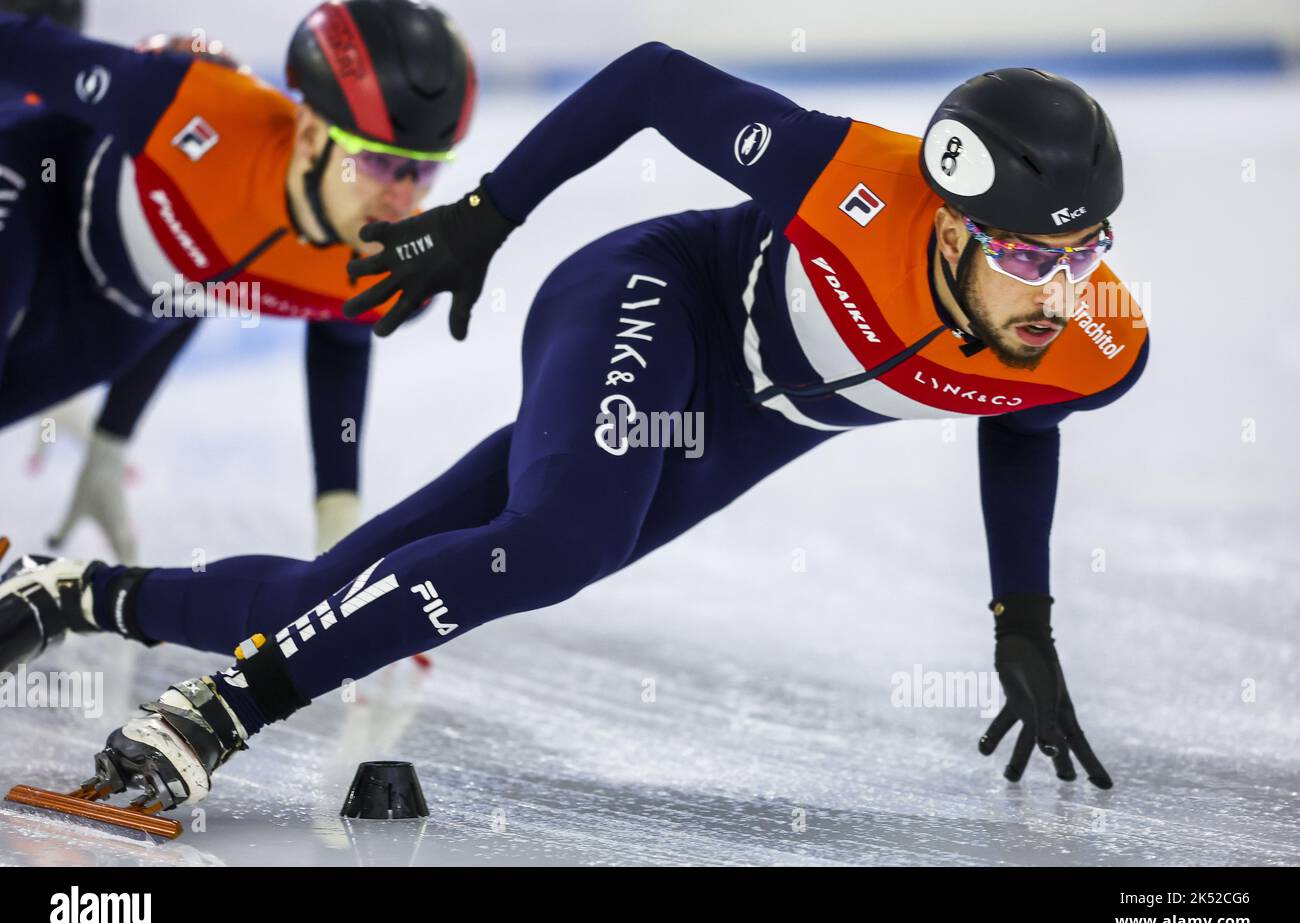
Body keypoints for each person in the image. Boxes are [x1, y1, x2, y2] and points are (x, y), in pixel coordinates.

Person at [1, 48, 1147, 811]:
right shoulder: (852, 180)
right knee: (559, 540)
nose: (1057, 290)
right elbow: (648, 80)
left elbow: (1023, 406)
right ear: (948, 223)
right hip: (658, 297)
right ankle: (224, 709)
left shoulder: (1092, 338)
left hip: (733, 423)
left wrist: (1022, 616)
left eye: (1084, 249)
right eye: (1026, 256)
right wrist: (488, 216)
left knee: (331, 598)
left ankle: (75, 594)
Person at [0, 0, 476, 556]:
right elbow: (16, 44)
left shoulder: (388, 266)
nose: (403, 195)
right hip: (33, 191)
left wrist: (338, 520)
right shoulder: (191, 105)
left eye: (424, 169)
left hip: (122, 313)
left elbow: (335, 337)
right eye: (376, 162)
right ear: (310, 135)